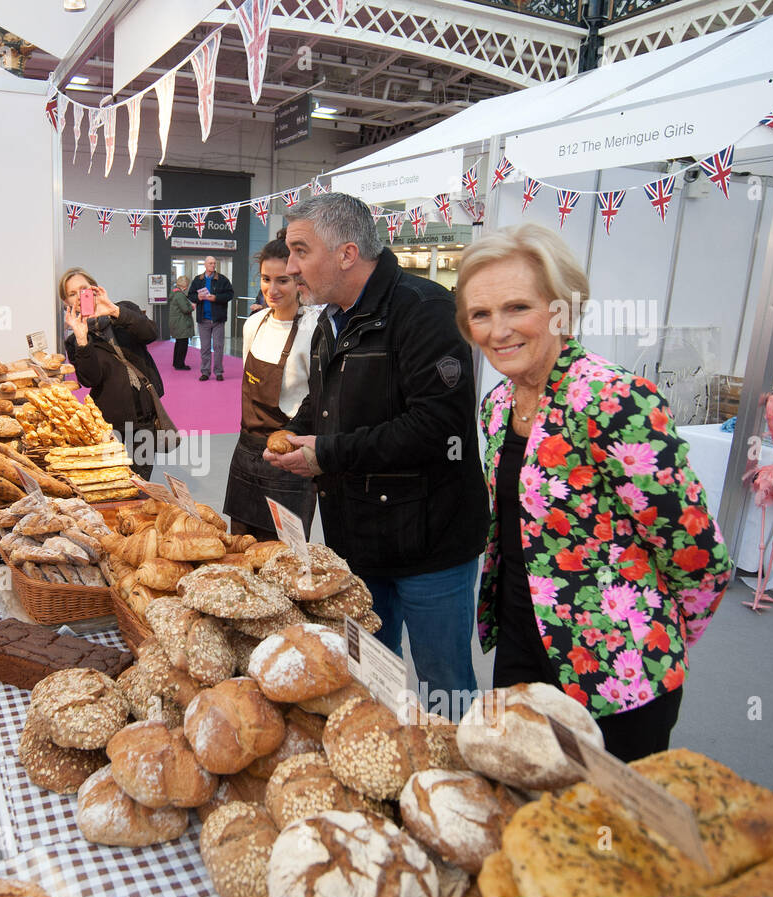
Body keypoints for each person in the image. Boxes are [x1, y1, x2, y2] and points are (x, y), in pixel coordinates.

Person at [456, 224, 732, 760]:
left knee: (611, 830)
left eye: (517, 307)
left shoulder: (612, 397)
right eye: (480, 314)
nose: (498, 330)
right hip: (520, 646)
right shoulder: (495, 406)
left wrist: (652, 633)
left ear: (562, 309)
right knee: (529, 814)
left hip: (616, 668)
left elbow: (698, 554)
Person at [264, 192, 490, 716]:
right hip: (356, 541)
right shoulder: (330, 321)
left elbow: (437, 427)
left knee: (443, 684)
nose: (291, 267)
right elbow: (324, 408)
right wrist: (293, 437)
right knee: (366, 673)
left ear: (346, 253)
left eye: (300, 251)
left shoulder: (425, 311)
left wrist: (328, 453)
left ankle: (452, 783)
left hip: (429, 544)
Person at [224, 231, 319, 540]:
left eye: (283, 280)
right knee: (239, 546)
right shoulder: (255, 323)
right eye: (266, 279)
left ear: (299, 281)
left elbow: (319, 401)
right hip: (245, 451)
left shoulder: (313, 330)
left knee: (282, 555)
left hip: (288, 461)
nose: (272, 289)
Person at [59, 267, 163, 479]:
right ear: (66, 302)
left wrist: (115, 311)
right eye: (72, 293)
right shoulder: (75, 340)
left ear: (95, 289)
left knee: (140, 480)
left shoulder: (123, 310)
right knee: (112, 480)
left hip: (145, 414)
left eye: (83, 289)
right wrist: (82, 339)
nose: (79, 296)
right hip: (109, 422)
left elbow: (150, 333)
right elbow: (89, 379)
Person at [188, 255, 235, 382]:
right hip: (203, 319)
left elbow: (230, 294)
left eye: (214, 263)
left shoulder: (222, 279)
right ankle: (205, 372)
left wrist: (216, 298)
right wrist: (198, 297)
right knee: (205, 347)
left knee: (219, 346)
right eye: (210, 263)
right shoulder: (198, 280)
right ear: (205, 265)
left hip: (218, 320)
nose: (213, 265)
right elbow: (190, 295)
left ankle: (219, 372)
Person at [169, 275, 194, 370]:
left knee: (178, 344)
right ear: (185, 285)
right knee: (183, 345)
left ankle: (176, 362)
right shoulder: (180, 295)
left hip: (176, 322)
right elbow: (185, 309)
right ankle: (180, 364)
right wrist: (192, 307)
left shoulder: (174, 293)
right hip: (181, 323)